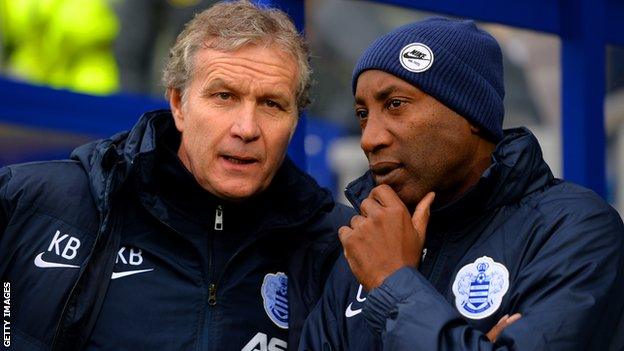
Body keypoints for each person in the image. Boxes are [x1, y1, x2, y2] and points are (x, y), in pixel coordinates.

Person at [0, 1, 353, 350]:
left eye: (271, 104)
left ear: (294, 122)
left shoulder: (341, 247)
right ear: (178, 104)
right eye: (224, 96)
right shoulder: (32, 204)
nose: (246, 129)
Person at [300, 17, 624, 350]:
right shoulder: (364, 245)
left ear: (470, 113)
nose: (369, 139)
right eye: (363, 113)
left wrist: (392, 283)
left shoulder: (572, 229)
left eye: (395, 104)